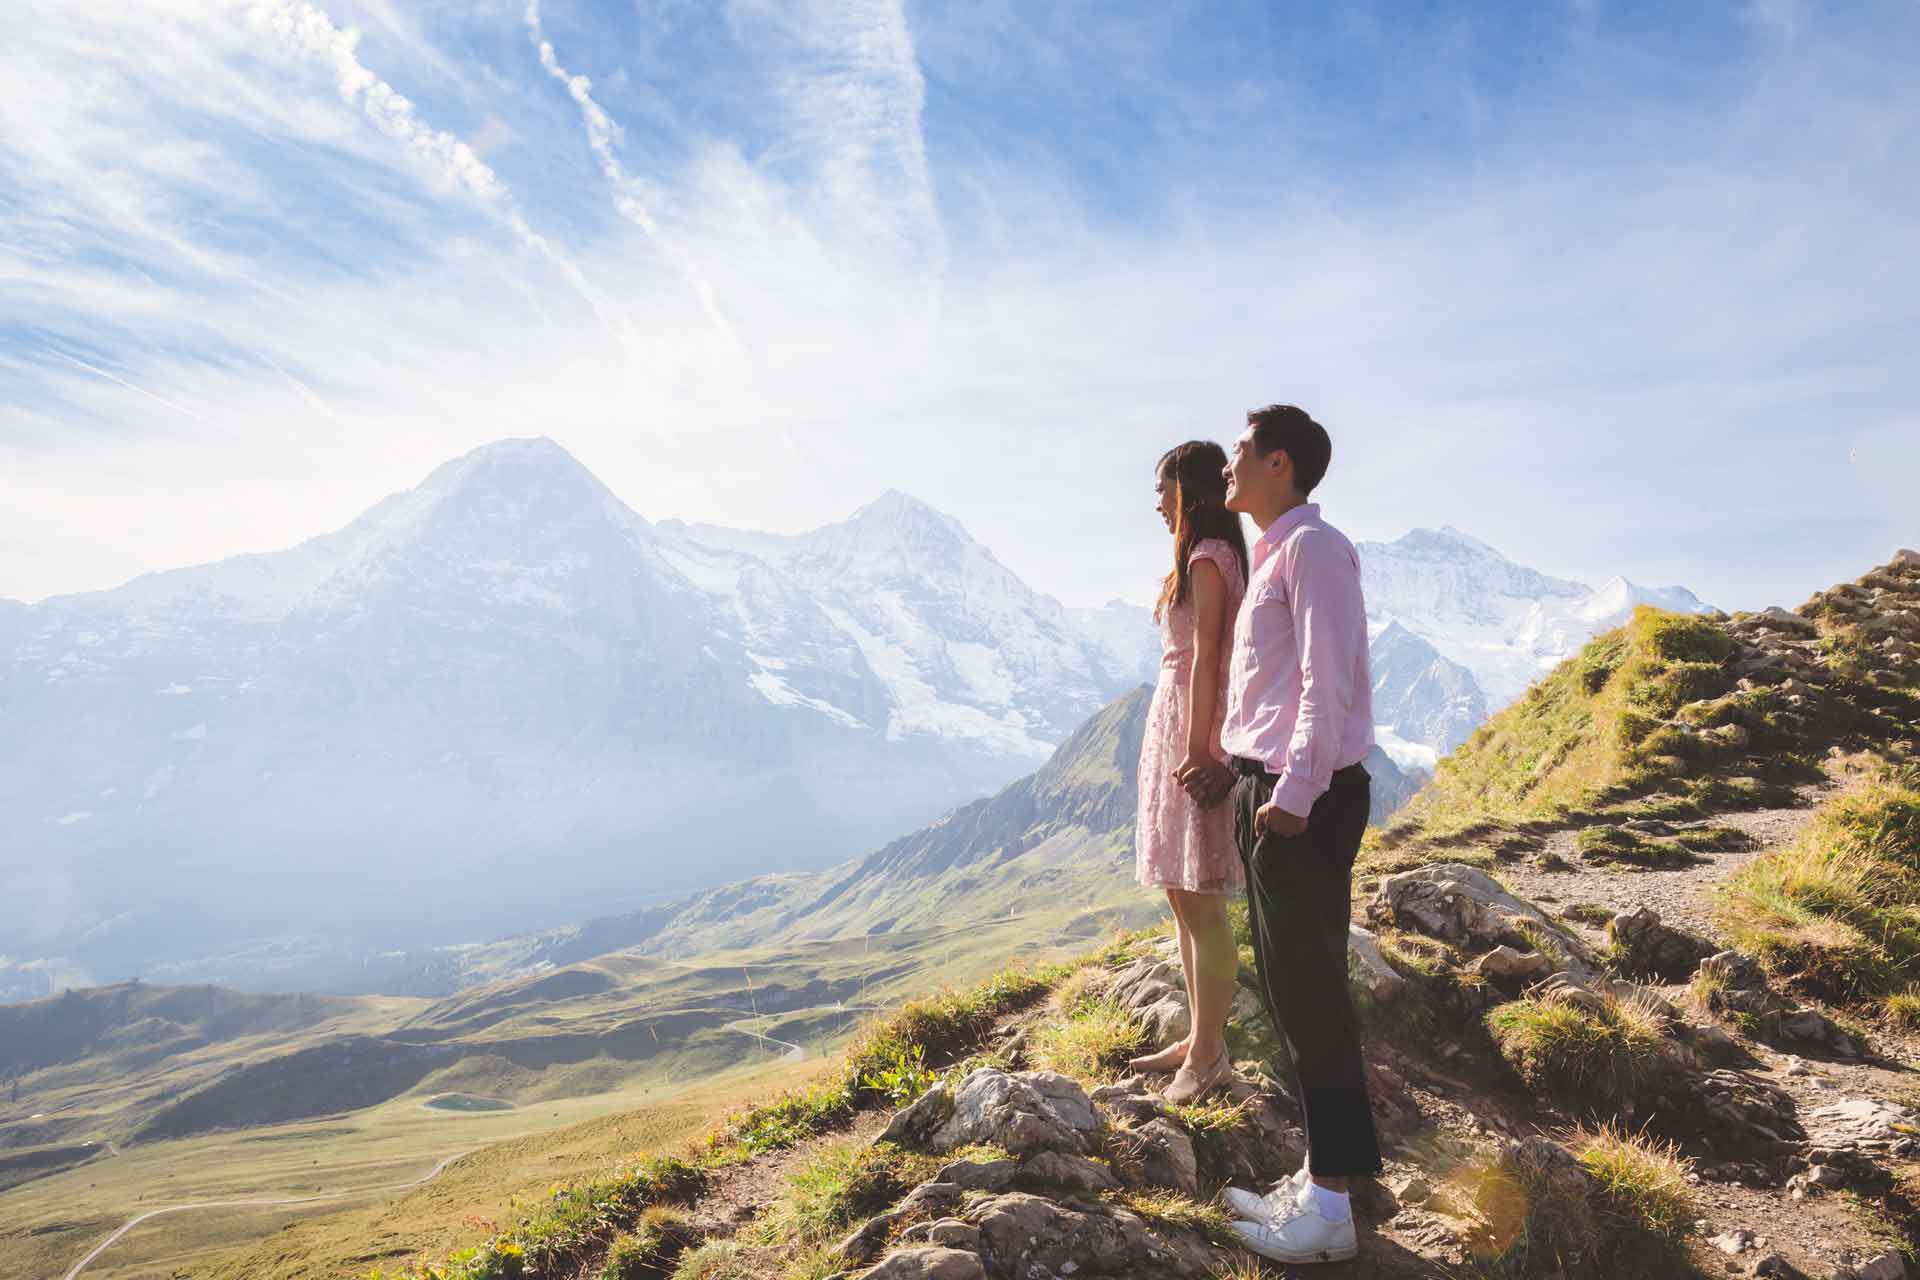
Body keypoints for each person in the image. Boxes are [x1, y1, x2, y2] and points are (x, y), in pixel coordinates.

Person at [1175, 404, 1382, 1265]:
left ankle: (1330, 1214)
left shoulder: (1312, 550)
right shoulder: (1278, 551)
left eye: (1239, 452)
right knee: (1298, 993)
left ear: (1279, 464)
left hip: (1308, 794)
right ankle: (1323, 1177)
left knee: (1311, 996)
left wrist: (1293, 792)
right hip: (1279, 786)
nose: (1227, 466)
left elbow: (1323, 681)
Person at [1125, 441, 1249, 1105]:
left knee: (1203, 904)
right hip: (1176, 720)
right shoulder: (1200, 556)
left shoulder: (1207, 558)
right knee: (1182, 895)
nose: (1157, 503)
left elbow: (1209, 660)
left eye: (1165, 489)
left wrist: (1203, 746)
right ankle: (1205, 1039)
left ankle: (1206, 1061)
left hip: (1193, 723)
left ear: (1192, 493)